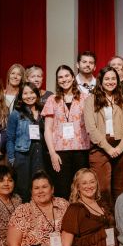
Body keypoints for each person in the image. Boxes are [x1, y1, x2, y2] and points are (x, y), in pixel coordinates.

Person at [83, 66, 123, 204]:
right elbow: (91, 128)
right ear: (101, 81)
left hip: (120, 147)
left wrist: (120, 148)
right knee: (103, 188)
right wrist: (108, 148)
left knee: (120, 189)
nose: (110, 81)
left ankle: (118, 222)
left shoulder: (122, 98)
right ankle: (106, 222)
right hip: (100, 147)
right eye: (107, 78)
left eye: (113, 78)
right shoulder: (91, 99)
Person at [43, 64, 90, 199]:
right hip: (60, 152)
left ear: (73, 77)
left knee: (82, 189)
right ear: (57, 80)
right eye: (60, 77)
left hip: (81, 150)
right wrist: (52, 153)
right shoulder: (52, 99)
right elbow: (47, 129)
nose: (64, 79)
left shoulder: (85, 98)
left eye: (67, 76)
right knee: (62, 190)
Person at [7, 82, 45, 202]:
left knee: (39, 186)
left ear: (37, 94)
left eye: (32, 92)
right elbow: (10, 138)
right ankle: (23, 217)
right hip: (22, 155)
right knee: (23, 189)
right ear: (21, 96)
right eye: (25, 93)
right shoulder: (16, 114)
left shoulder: (43, 111)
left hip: (40, 153)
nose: (29, 96)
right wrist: (12, 159)